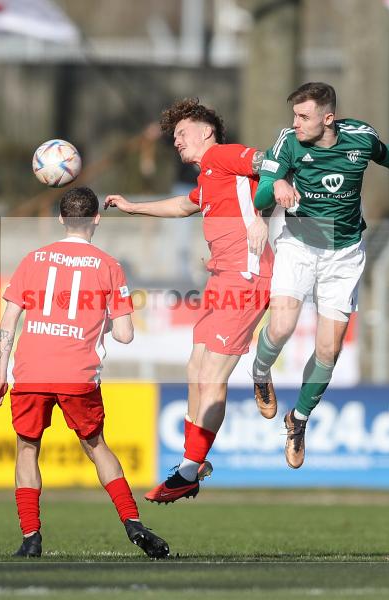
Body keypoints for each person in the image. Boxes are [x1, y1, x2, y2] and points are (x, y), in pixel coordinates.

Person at [251, 82, 389, 469]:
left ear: (328, 118)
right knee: (281, 327)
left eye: (304, 117)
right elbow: (261, 195)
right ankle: (260, 372)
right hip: (299, 243)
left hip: (345, 253)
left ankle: (297, 421)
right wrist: (277, 183)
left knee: (330, 350)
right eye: (294, 116)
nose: (295, 123)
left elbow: (385, 154)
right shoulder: (288, 143)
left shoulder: (360, 138)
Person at [105, 98, 273, 503]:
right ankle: (190, 464)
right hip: (221, 277)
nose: (176, 142)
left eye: (181, 133)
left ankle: (188, 470)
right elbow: (184, 204)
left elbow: (275, 166)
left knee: (212, 375)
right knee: (196, 366)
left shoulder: (227, 156)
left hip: (245, 278)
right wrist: (134, 207)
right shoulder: (210, 177)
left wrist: (260, 214)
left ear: (206, 132)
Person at [0, 186, 169, 559]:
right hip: (78, 372)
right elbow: (125, 334)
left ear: (60, 218)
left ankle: (31, 537)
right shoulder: (108, 266)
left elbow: (9, 320)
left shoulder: (33, 259)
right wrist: (97, 323)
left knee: (27, 449)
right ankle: (133, 523)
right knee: (96, 446)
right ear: (97, 218)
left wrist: (0, 373)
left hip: (31, 368)